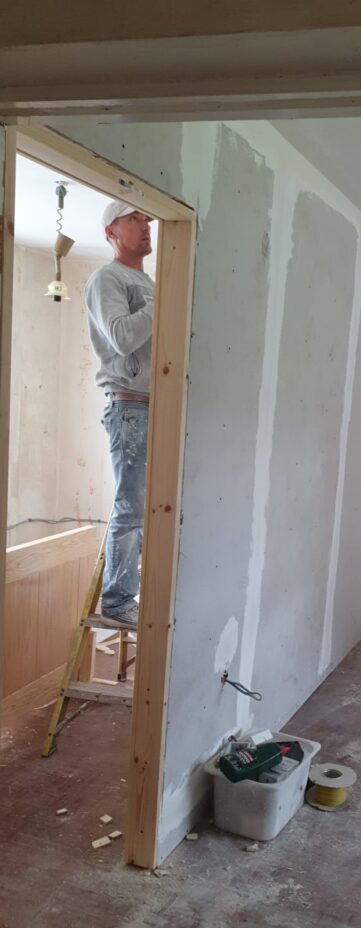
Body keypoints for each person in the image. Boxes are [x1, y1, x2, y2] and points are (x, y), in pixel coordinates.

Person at [85, 200, 155, 628]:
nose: (146, 225)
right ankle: (116, 600)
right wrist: (160, 302)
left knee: (151, 507)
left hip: (156, 406)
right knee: (130, 507)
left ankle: (135, 590)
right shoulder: (107, 279)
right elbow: (122, 337)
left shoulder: (147, 283)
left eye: (147, 219)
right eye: (134, 219)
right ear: (111, 231)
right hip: (129, 405)